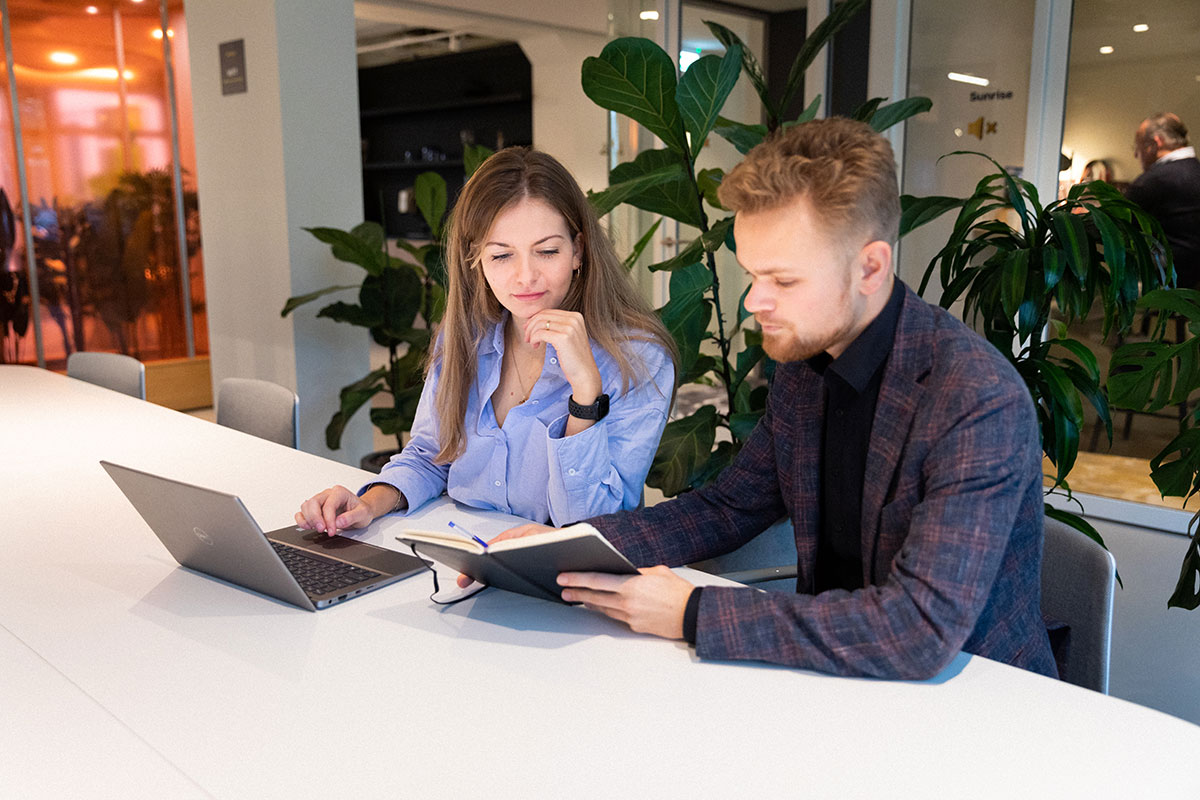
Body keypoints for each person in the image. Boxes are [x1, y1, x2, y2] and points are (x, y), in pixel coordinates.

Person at [492, 118, 1058, 681]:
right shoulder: (805, 365)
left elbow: (918, 630)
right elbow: (731, 506)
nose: (755, 302)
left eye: (783, 282)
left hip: (977, 704)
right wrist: (573, 545)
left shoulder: (976, 399)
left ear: (871, 267)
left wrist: (693, 612)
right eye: (751, 274)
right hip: (832, 679)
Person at [296, 148, 675, 535]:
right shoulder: (467, 335)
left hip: (563, 579)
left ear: (578, 249)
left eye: (547, 251)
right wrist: (366, 503)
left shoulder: (639, 359)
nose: (525, 277)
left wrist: (585, 397)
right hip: (459, 552)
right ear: (475, 258)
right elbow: (430, 456)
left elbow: (596, 527)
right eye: (501, 256)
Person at [1127, 112, 1200, 288]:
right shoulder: (1195, 170)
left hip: (1170, 276)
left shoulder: (1155, 180)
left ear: (1156, 143)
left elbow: (1119, 221)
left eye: (1138, 147)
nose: (1137, 155)